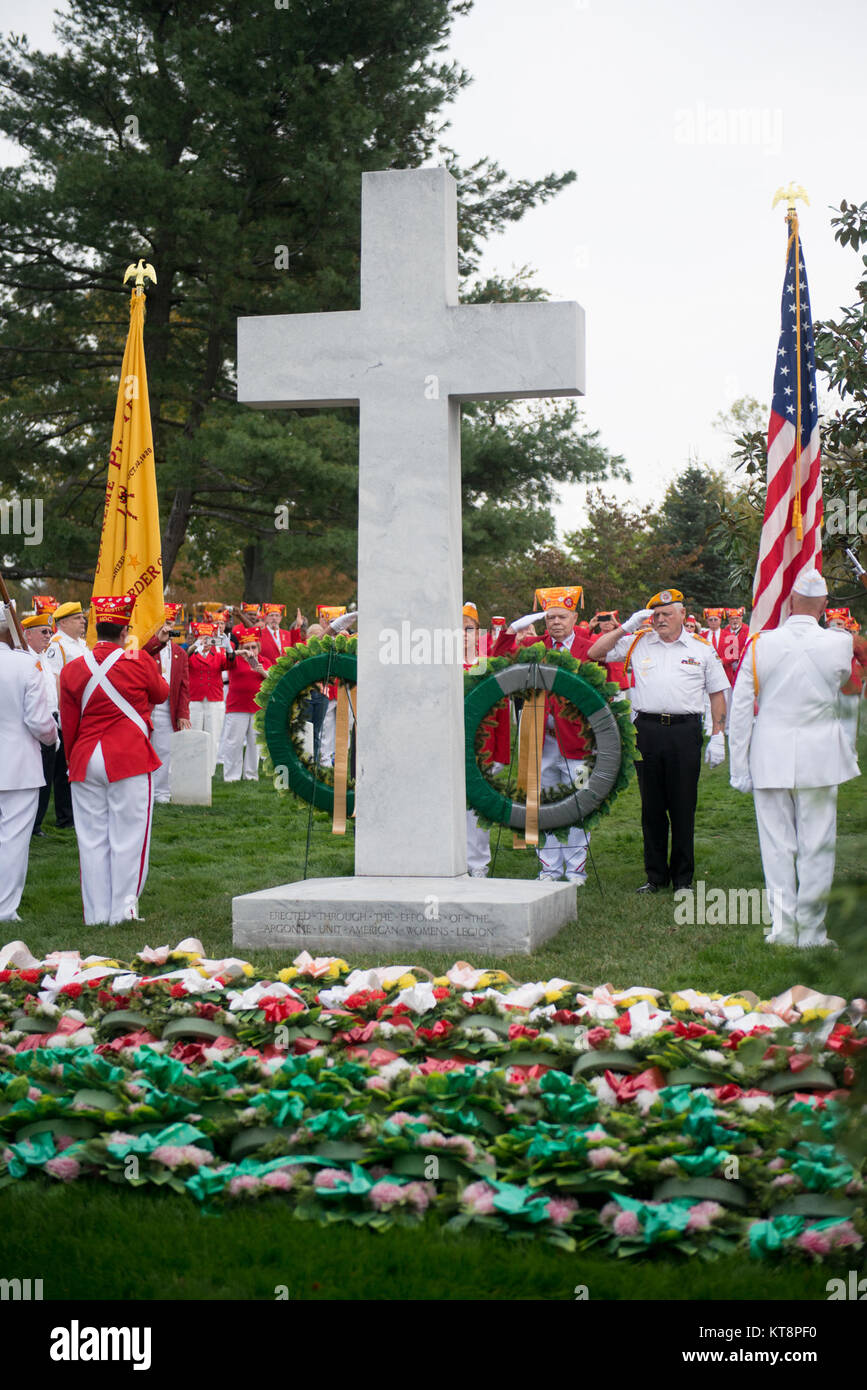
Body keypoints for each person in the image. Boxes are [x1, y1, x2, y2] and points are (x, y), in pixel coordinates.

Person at [729, 570, 861, 948]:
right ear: (823, 607)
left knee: (776, 845)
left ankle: (784, 930)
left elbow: (741, 711)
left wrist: (739, 767)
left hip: (769, 752)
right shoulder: (839, 644)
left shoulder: (760, 643)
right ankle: (812, 932)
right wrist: (848, 750)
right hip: (821, 755)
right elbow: (850, 699)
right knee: (817, 844)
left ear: (788, 604)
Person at [587, 587, 729, 893]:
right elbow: (594, 652)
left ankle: (682, 879)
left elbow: (717, 694)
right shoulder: (638, 642)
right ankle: (655, 877)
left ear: (683, 615)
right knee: (651, 807)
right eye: (656, 614)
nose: (660, 619)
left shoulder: (701, 648)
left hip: (684, 731)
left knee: (682, 806)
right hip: (647, 731)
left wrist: (718, 736)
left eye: (667, 613)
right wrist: (626, 625)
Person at [59, 593, 169, 924]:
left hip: (84, 757)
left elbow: (69, 723)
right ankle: (122, 911)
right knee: (130, 837)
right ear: (124, 633)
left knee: (91, 839)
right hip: (128, 757)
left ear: (95, 629)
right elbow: (161, 694)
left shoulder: (73, 668)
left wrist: (72, 761)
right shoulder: (138, 660)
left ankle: (95, 913)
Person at [493, 585, 594, 884]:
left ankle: (576, 868)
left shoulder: (588, 646)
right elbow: (500, 656)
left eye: (561, 617)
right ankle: (549, 867)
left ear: (575, 617)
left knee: (579, 802)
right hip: (541, 739)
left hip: (578, 741)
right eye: (550, 618)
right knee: (545, 803)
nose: (556, 623)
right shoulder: (535, 645)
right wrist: (515, 629)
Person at [0, 605, 58, 920]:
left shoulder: (27, 662)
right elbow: (39, 721)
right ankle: (5, 909)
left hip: (16, 761)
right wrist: (53, 738)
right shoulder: (25, 665)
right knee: (13, 840)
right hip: (18, 763)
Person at [463, 602, 510, 877]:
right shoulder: (440, 665)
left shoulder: (488, 664)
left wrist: (501, 754)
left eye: (468, 629)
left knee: (475, 810)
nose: (464, 635)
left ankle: (477, 863)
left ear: (478, 632)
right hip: (448, 749)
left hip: (482, 750)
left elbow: (501, 713)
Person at [42, 599, 88, 828]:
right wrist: (62, 714)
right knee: (63, 767)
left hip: (84, 710)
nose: (83, 621)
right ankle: (65, 816)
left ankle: (78, 810)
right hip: (67, 712)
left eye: (82, 617)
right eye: (78, 618)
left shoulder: (81, 644)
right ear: (64, 622)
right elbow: (55, 679)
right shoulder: (57, 645)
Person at [143, 605, 191, 803]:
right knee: (144, 748)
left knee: (164, 749)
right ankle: (144, 790)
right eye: (163, 623)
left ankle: (161, 791)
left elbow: (184, 687)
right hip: (146, 706)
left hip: (167, 707)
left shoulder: (180, 653)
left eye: (170, 624)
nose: (166, 628)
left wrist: (183, 714)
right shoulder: (146, 647)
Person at [22, 610, 60, 837]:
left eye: (50, 632)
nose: (48, 636)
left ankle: (37, 822)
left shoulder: (44, 657)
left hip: (51, 718)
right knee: (35, 775)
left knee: (48, 774)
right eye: (44, 631)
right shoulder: (25, 658)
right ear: (28, 635)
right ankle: (30, 822)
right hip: (35, 721)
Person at [222, 628, 266, 781]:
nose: (251, 650)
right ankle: (231, 776)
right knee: (234, 742)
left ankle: (251, 775)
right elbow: (226, 657)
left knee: (255, 743)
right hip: (237, 707)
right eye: (247, 647)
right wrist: (240, 653)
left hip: (257, 707)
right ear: (241, 648)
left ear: (258, 647)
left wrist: (264, 673)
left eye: (253, 647)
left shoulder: (264, 661)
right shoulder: (235, 660)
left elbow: (275, 682)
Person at [187, 622, 228, 773]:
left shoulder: (218, 654)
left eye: (208, 638)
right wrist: (195, 646)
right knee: (193, 736)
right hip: (195, 700)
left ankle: (209, 771)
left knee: (213, 737)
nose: (205, 641)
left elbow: (229, 664)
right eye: (202, 637)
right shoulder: (191, 653)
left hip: (214, 700)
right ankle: (192, 770)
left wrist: (229, 648)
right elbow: (183, 660)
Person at [258, 603, 307, 668]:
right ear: (266, 618)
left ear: (280, 618)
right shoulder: (259, 634)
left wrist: (298, 626)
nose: (274, 618)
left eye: (277, 615)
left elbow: (296, 647)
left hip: (286, 671)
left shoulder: (287, 634)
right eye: (271, 615)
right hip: (267, 671)